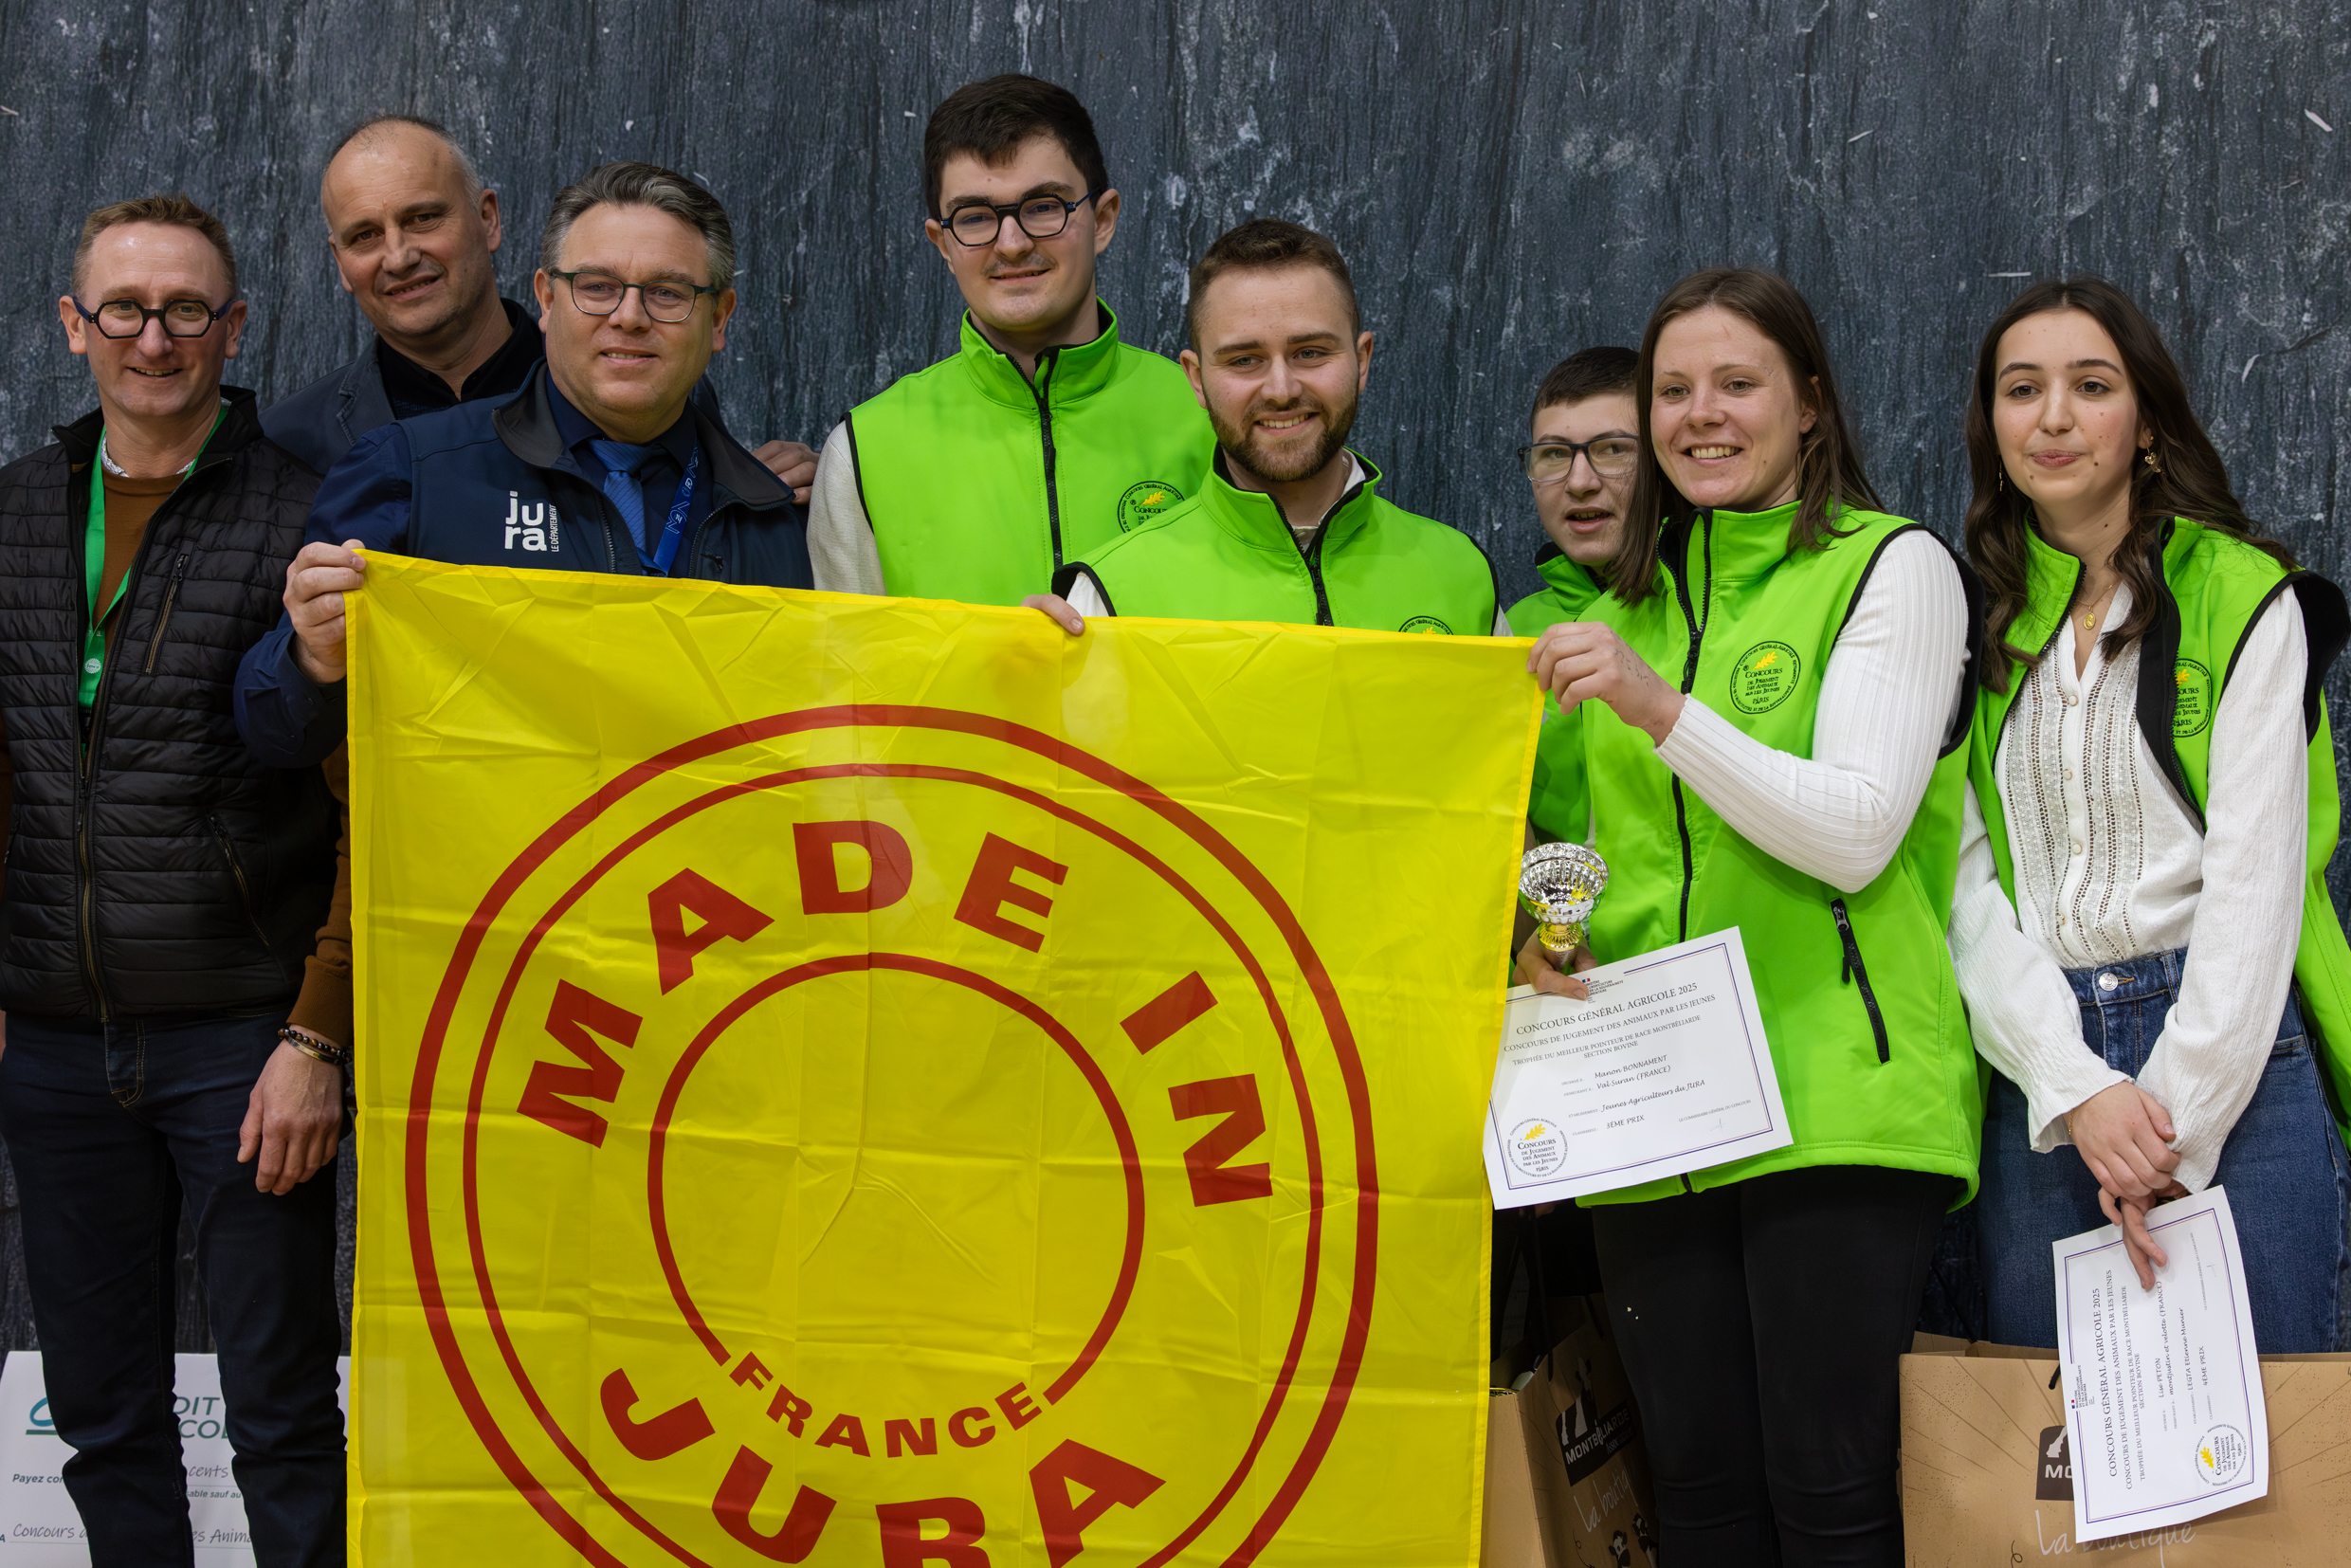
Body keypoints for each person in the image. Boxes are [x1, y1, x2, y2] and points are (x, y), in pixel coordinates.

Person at [1520, 267, 1981, 1565]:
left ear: (1813, 404)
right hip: (1656, 1113)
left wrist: (1660, 709)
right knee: (1701, 1499)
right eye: (1674, 388)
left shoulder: (1892, 568)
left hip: (1833, 1104)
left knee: (1831, 1495)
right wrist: (1550, 942)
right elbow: (1597, 868)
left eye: (1737, 383)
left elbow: (1852, 830)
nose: (1700, 414)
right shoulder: (1620, 613)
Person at [0, 195, 345, 1565]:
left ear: (236, 325)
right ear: (73, 325)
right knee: (101, 1409)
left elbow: (371, 803)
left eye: (188, 308)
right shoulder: (18, 510)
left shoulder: (312, 517)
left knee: (275, 1405)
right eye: (126, 310)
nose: (156, 337)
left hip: (244, 1040)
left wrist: (318, 1031)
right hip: (54, 1041)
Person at [1948, 275, 2351, 1353]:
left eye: (2090, 385)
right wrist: (2073, 1087)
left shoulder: (2241, 591)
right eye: (2020, 389)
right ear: (1989, 427)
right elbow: (1963, 887)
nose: (2053, 417)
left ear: (2146, 421)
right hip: (2041, 1077)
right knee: (2052, 1489)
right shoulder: (1974, 619)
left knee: (2269, 1475)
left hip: (2229, 1060)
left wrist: (2176, 1121)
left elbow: (2256, 882)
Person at [235, 162, 814, 772]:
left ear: (718, 318)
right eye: (596, 286)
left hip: (704, 862)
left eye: (668, 293)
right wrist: (314, 660)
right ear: (546, 298)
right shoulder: (411, 471)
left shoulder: (775, 515)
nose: (629, 316)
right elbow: (273, 737)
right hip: (491, 866)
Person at [807, 73, 1212, 603]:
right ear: (943, 244)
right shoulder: (861, 453)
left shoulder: (1211, 417)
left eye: (1044, 206)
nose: (1013, 243)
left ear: (1104, 219)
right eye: (975, 217)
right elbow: (853, 677)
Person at [264, 115, 814, 495]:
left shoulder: (636, 376)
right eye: (364, 236)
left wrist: (770, 490)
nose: (400, 255)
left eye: (424, 218)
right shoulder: (288, 442)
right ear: (339, 263)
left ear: (488, 218)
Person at [1033, 219, 1501, 634]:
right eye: (1245, 360)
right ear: (1196, 380)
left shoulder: (1463, 575)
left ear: (1361, 362)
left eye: (1311, 353)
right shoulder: (1111, 595)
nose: (1281, 389)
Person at [1512, 345, 1640, 846]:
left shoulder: (1709, 615)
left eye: (1613, 450)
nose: (1580, 482)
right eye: (1554, 455)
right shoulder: (1511, 630)